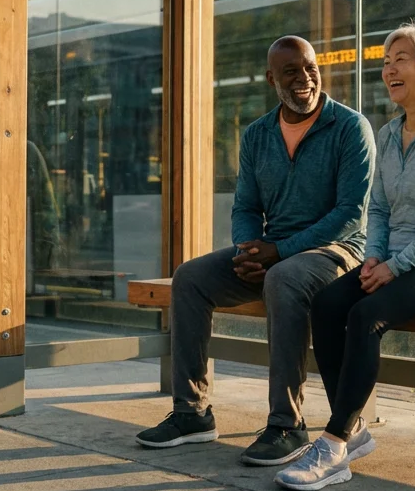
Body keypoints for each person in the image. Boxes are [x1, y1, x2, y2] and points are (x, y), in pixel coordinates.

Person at [136, 35, 377, 468]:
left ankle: (287, 424)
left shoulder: (350, 127)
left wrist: (278, 251)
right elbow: (246, 205)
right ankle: (192, 414)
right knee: (189, 277)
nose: (305, 78)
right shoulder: (258, 135)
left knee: (284, 278)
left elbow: (350, 214)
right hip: (272, 252)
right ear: (272, 79)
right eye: (291, 72)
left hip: (337, 253)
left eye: (310, 68)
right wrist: (249, 249)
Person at [276, 23, 415, 491]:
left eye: (401, 59)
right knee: (327, 304)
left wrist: (396, 265)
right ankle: (352, 429)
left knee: (366, 314)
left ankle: (332, 445)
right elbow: (381, 209)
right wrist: (373, 258)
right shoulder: (388, 135)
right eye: (386, 61)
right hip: (394, 259)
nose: (389, 68)